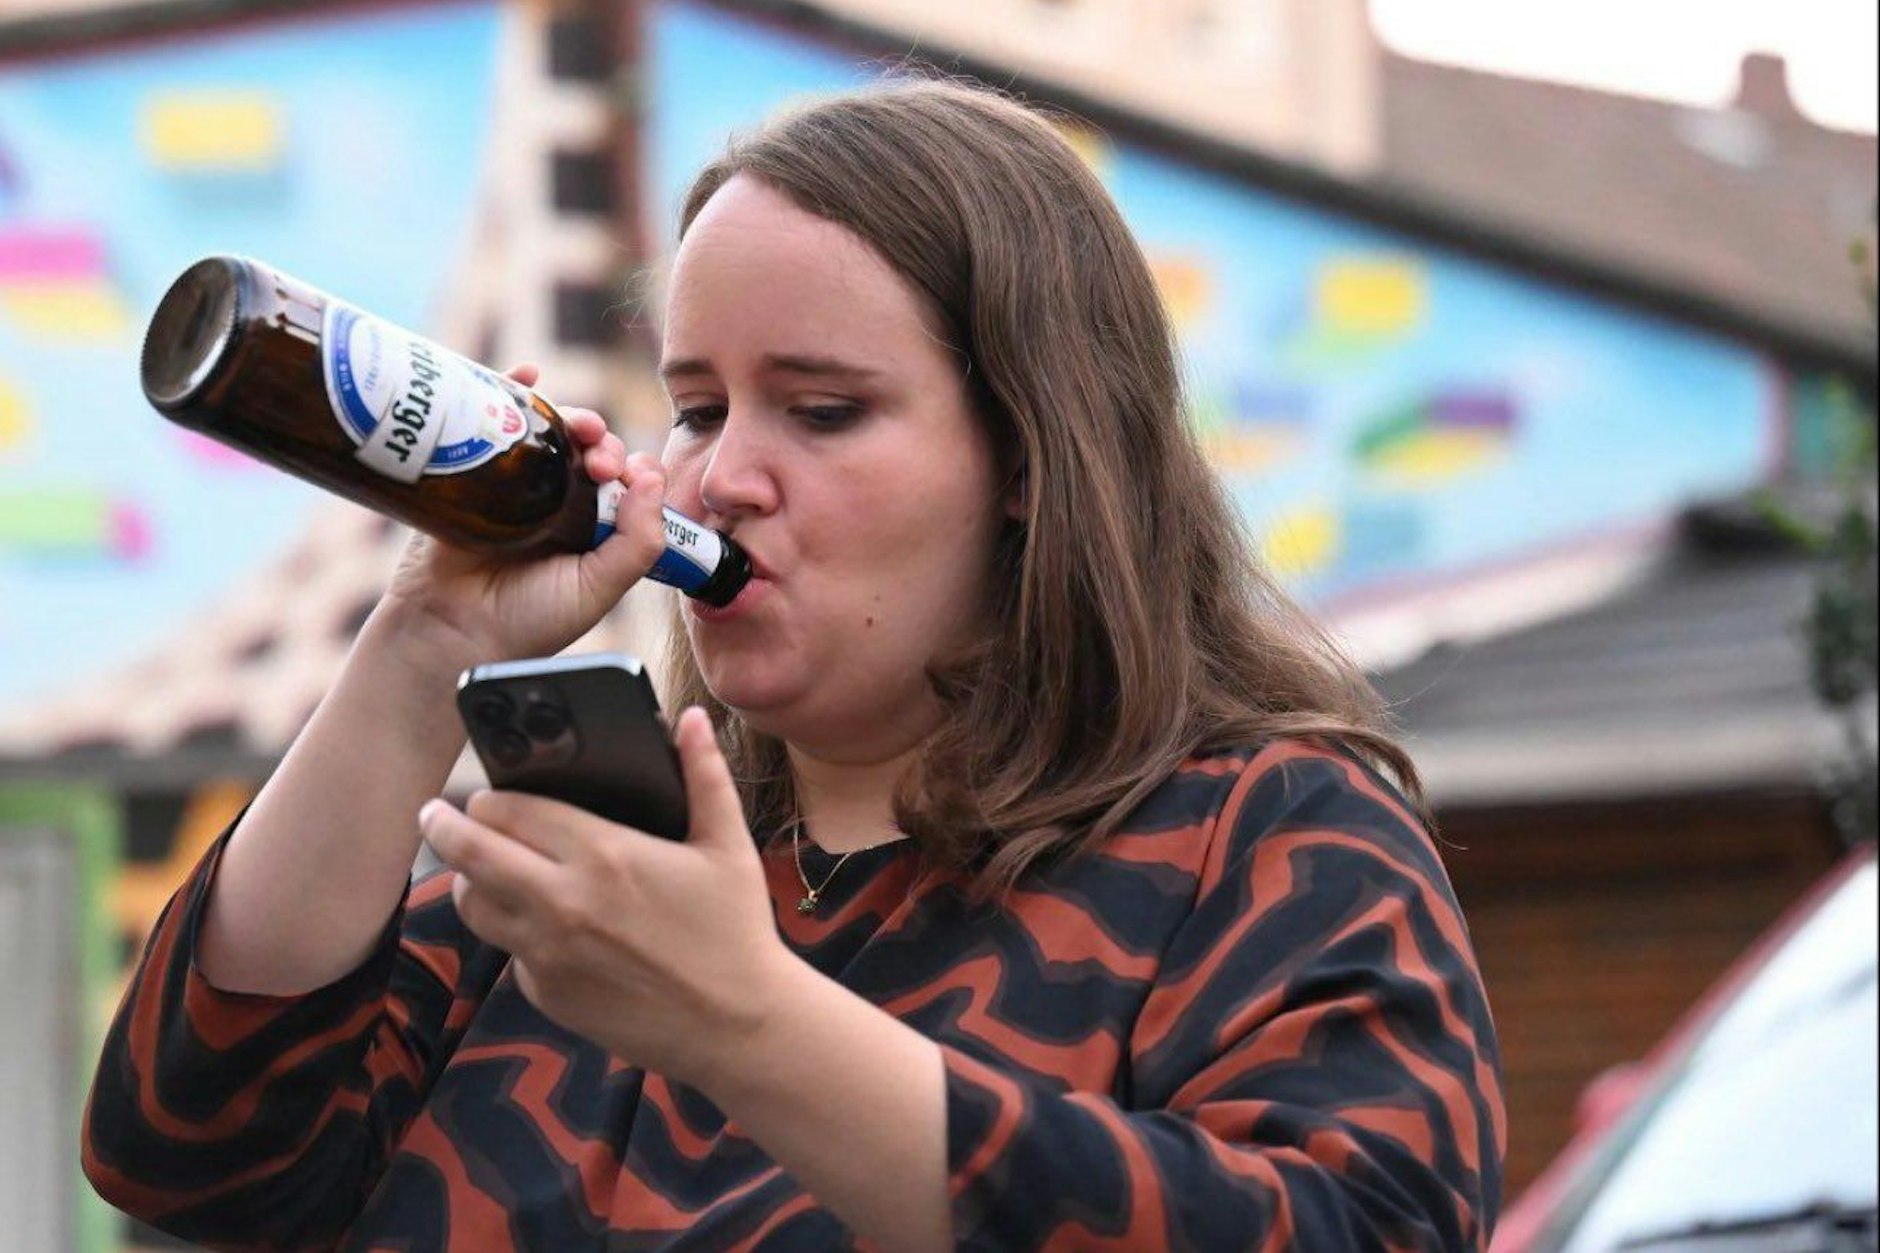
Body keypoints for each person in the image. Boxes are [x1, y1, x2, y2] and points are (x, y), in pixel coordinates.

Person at [82, 80, 1506, 1251]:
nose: (721, 477)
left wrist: (747, 1022)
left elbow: (1359, 1227)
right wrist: (420, 647)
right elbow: (190, 1148)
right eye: (696, 408)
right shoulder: (597, 879)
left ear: (1033, 456)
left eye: (822, 410)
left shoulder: (1260, 833)